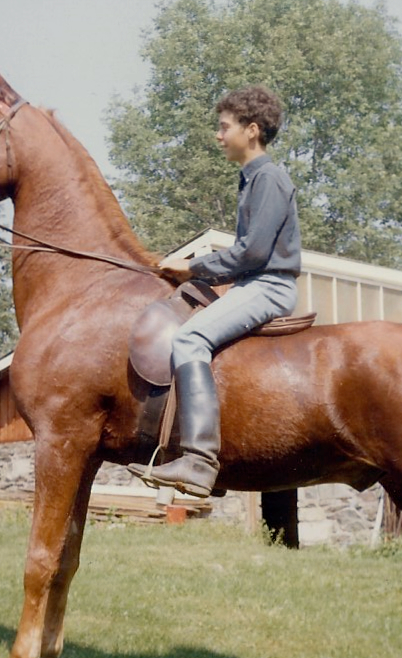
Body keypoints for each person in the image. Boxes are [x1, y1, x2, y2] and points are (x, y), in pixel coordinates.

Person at [129, 85, 301, 498]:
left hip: (269, 286)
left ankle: (200, 460)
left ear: (252, 130)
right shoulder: (252, 180)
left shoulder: (269, 178)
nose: (218, 136)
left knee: (188, 338)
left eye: (225, 127)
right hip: (254, 283)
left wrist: (192, 267)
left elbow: (254, 251)